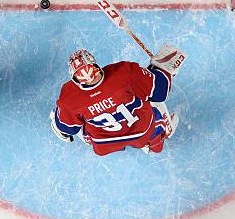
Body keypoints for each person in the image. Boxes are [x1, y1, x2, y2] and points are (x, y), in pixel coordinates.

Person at [50, 45, 186, 156]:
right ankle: (155, 145)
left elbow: (65, 131)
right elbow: (160, 93)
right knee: (154, 108)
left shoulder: (68, 96)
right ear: (95, 66)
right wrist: (161, 69)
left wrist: (60, 117)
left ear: (75, 78)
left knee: (62, 116)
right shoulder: (125, 73)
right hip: (141, 133)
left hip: (103, 143)